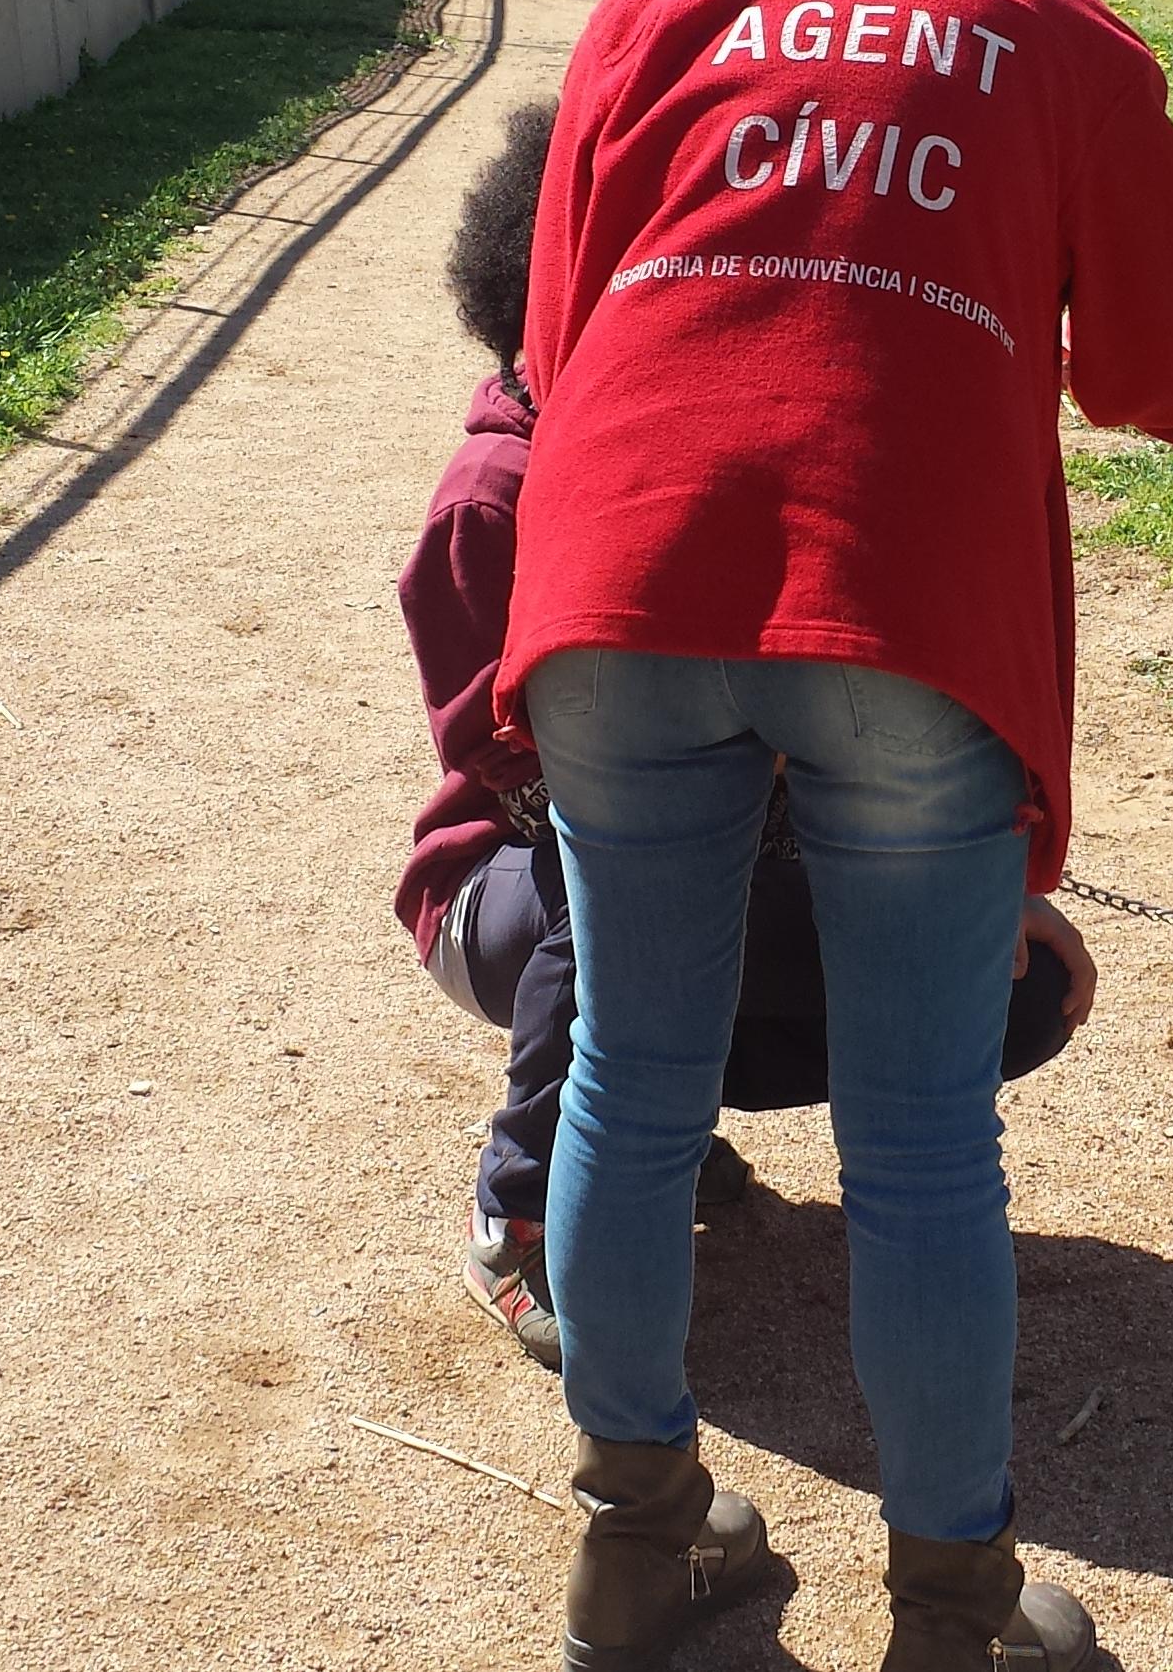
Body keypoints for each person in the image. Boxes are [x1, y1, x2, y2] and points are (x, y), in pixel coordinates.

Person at [505, 0, 1173, 1669]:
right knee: (921, 1143)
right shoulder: (1048, 26)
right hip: (901, 609)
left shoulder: (660, 0)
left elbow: (556, 335)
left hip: (614, 579)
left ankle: (638, 1546)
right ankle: (958, 1621)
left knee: (627, 1080)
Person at [396, 101, 1098, 1371]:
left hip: (738, 849)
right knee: (601, 848)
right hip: (507, 884)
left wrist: (972, 872)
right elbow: (522, 773)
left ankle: (655, 1122)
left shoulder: (727, 457)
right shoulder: (494, 497)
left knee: (1017, 989)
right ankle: (518, 1203)